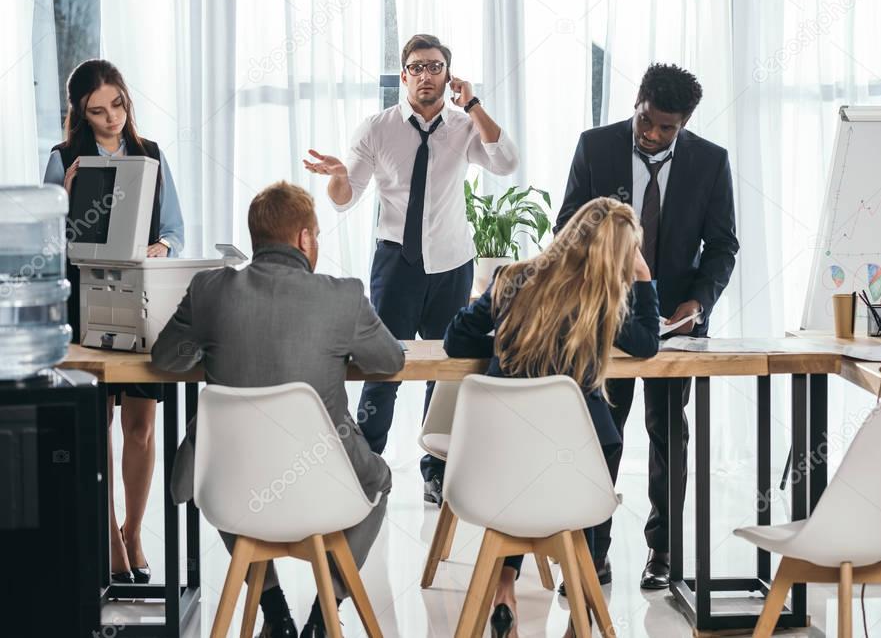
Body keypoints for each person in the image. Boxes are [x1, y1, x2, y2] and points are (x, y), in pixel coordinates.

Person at [152, 182, 404, 638]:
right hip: (326, 485)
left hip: (237, 489)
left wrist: (213, 346)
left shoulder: (209, 291)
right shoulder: (343, 296)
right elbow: (391, 362)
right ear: (306, 239)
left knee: (221, 480)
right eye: (318, 236)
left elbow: (166, 359)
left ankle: (274, 611)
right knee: (380, 482)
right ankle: (325, 615)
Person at [302, 33, 520, 507]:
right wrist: (339, 176)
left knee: (446, 370)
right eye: (417, 67)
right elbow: (344, 200)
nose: (426, 75)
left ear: (449, 75)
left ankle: (435, 471)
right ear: (404, 76)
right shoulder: (377, 129)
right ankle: (367, 468)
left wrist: (475, 103)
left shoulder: (465, 126)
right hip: (396, 263)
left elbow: (507, 162)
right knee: (382, 366)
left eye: (435, 66)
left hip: (451, 264)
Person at [555, 64, 739, 590]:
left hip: (676, 326)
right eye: (647, 121)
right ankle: (594, 549)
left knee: (667, 434)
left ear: (684, 123)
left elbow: (723, 245)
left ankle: (663, 551)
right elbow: (568, 224)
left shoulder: (710, 162)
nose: (653, 134)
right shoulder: (596, 147)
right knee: (599, 435)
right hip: (604, 320)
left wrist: (697, 303)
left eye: (666, 128)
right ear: (636, 102)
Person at [443, 198, 660, 638]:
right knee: (598, 456)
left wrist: (511, 344)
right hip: (571, 483)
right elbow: (648, 343)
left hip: (498, 472)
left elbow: (455, 340)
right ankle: (582, 602)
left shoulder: (511, 278)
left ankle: (504, 585)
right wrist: (644, 277)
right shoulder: (601, 302)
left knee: (526, 470)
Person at [43, 58, 185, 585]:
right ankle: (106, 534)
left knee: (141, 425)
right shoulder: (62, 158)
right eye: (97, 111)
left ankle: (133, 530)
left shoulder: (151, 155)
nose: (111, 120)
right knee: (97, 422)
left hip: (141, 298)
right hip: (87, 301)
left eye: (117, 106)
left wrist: (162, 246)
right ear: (81, 113)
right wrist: (63, 195)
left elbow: (175, 228)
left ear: (127, 99)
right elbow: (47, 244)